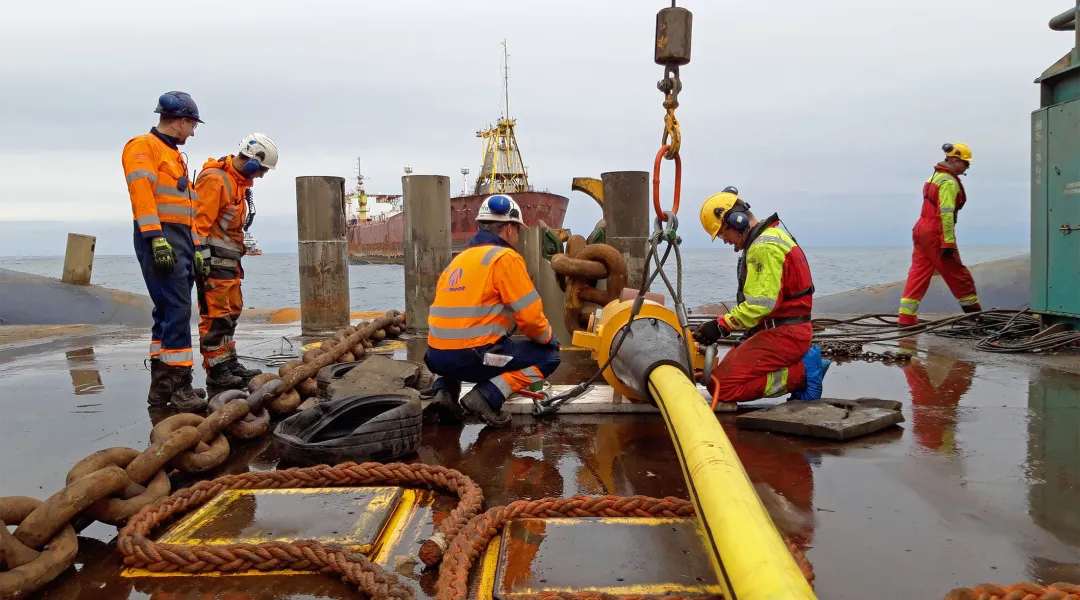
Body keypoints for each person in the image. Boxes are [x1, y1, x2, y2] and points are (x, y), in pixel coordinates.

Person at [424, 194, 561, 427]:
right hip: (473, 358)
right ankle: (486, 397)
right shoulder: (505, 258)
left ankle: (444, 395)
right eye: (517, 229)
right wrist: (548, 339)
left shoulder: (458, 260)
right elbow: (530, 318)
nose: (517, 235)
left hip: (434, 358)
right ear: (508, 229)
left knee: (451, 348)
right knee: (550, 357)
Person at [694, 186, 830, 403]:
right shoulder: (771, 237)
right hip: (782, 330)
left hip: (785, 335)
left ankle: (802, 373)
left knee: (723, 387)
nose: (725, 241)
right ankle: (801, 365)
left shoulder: (763, 247)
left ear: (737, 221)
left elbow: (761, 305)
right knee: (723, 375)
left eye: (722, 233)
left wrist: (721, 325)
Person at [122, 91, 207, 412]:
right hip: (161, 238)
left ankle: (161, 389)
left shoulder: (175, 157)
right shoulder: (143, 147)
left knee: (168, 312)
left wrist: (197, 248)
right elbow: (141, 193)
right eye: (192, 125)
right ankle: (180, 386)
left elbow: (187, 209)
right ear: (182, 121)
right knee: (177, 311)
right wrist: (156, 238)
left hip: (181, 238)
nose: (193, 132)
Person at [193, 134, 279, 388]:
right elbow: (199, 224)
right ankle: (216, 369)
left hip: (230, 264)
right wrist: (201, 259)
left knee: (231, 313)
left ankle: (229, 362)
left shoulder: (238, 185)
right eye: (261, 170)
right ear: (253, 161)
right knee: (216, 317)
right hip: (213, 264)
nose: (261, 176)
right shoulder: (215, 180)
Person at [897, 143, 982, 326]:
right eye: (965, 163)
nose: (967, 167)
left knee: (918, 273)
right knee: (958, 274)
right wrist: (948, 242)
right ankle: (974, 316)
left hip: (921, 229)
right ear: (954, 159)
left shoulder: (934, 177)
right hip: (936, 231)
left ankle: (906, 318)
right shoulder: (948, 182)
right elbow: (946, 213)